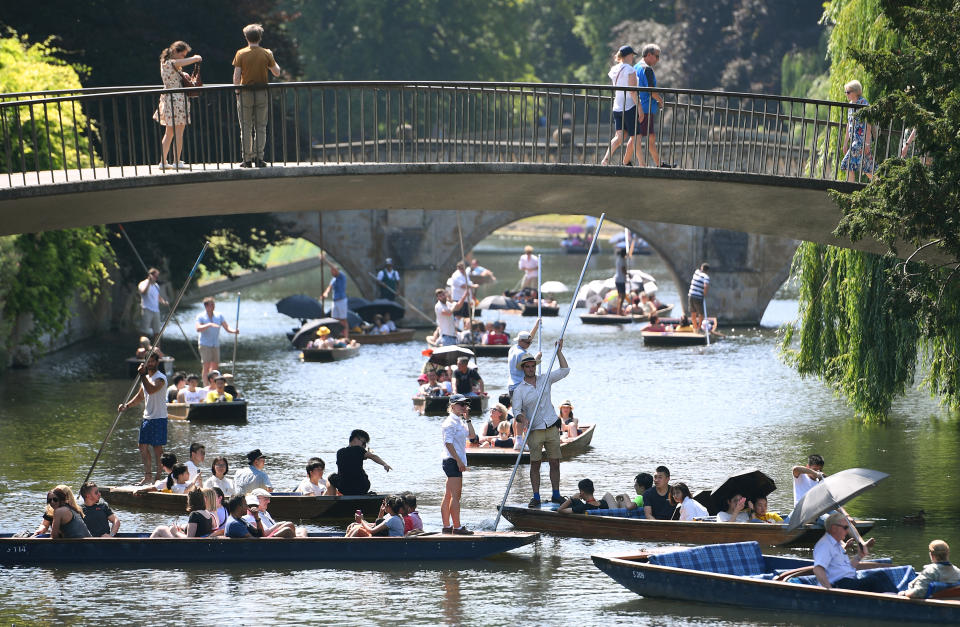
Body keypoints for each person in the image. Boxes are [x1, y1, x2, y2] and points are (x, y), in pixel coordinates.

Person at [512, 341, 570, 508]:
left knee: (555, 462)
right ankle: (536, 496)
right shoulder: (519, 390)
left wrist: (558, 352)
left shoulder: (545, 379)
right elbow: (516, 412)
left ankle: (556, 494)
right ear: (523, 368)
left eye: (532, 366)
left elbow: (565, 370)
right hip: (534, 430)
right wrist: (523, 419)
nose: (531, 369)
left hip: (551, 426)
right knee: (535, 464)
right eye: (528, 366)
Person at [232, 23, 281, 168]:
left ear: (246, 37)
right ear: (260, 37)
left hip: (245, 92)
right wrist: (272, 56)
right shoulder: (266, 53)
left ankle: (247, 159)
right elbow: (277, 72)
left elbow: (236, 76)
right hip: (262, 93)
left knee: (246, 127)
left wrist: (237, 92)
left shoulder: (241, 53)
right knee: (260, 126)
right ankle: (259, 158)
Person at [119, 352, 169, 485]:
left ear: (157, 363)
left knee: (157, 448)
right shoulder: (145, 378)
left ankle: (158, 477)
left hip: (159, 417)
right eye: (148, 361)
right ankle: (148, 476)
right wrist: (126, 406)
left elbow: (151, 390)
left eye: (153, 361)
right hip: (147, 417)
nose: (150, 364)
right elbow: (141, 397)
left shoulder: (161, 378)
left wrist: (141, 375)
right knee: (142, 446)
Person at [813, 512, 893, 592]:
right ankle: (893, 599)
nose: (848, 531)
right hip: (839, 585)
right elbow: (818, 569)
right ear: (834, 528)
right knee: (874, 581)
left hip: (849, 582)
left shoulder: (837, 545)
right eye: (845, 527)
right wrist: (830, 591)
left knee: (881, 574)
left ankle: (897, 596)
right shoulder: (825, 545)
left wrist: (859, 556)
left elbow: (847, 568)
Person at [156, 41, 202, 169]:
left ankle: (163, 162)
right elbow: (187, 61)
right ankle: (176, 161)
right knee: (179, 132)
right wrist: (196, 58)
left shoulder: (164, 63)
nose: (183, 57)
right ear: (175, 52)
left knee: (169, 132)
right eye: (183, 54)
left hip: (168, 99)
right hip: (178, 100)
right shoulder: (172, 62)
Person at [440, 394, 476, 534]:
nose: (464, 407)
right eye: (461, 404)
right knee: (456, 496)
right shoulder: (449, 423)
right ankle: (457, 527)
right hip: (452, 461)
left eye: (465, 404)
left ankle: (447, 527)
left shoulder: (459, 421)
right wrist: (459, 461)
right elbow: (448, 443)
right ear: (453, 406)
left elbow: (472, 436)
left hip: (452, 461)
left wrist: (468, 419)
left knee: (449, 495)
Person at [599, 45, 640, 166]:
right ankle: (639, 163)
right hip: (629, 106)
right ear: (628, 55)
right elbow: (632, 91)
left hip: (617, 106)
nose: (633, 58)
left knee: (620, 136)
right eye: (632, 55)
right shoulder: (630, 69)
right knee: (635, 136)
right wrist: (640, 107)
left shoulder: (614, 70)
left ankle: (606, 159)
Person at [327, 429, 392, 496]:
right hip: (361, 488)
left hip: (344, 488)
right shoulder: (358, 449)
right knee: (362, 473)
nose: (364, 446)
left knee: (331, 477)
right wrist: (384, 464)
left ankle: (333, 498)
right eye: (363, 443)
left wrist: (365, 454)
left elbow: (350, 460)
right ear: (355, 439)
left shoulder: (340, 452)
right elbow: (373, 456)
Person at [634, 43, 668, 167]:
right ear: (649, 55)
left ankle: (659, 164)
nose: (658, 60)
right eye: (657, 56)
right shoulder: (646, 69)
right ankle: (642, 164)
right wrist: (660, 100)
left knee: (645, 136)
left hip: (638, 106)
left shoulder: (636, 67)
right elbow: (652, 91)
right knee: (641, 137)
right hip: (646, 107)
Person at [196, 297, 238, 383]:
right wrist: (209, 324)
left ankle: (213, 384)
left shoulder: (219, 316)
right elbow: (198, 328)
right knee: (206, 366)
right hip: (205, 344)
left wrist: (234, 331)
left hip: (215, 344)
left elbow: (227, 327)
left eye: (213, 304)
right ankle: (206, 385)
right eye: (211, 305)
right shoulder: (201, 316)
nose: (213, 306)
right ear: (206, 306)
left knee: (215, 366)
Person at [840, 79, 874, 182]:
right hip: (854, 140)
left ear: (855, 92)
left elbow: (869, 123)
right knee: (867, 167)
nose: (846, 94)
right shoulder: (850, 105)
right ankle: (881, 185)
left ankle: (850, 189)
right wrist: (846, 142)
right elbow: (848, 124)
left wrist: (867, 142)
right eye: (846, 92)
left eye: (848, 92)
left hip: (861, 140)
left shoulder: (863, 103)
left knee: (847, 163)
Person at [150, 488, 216, 538]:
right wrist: (182, 531)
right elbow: (199, 531)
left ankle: (146, 550)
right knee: (165, 529)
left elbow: (190, 539)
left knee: (160, 529)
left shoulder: (195, 514)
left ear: (190, 501)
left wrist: (175, 532)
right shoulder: (208, 514)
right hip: (200, 544)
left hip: (190, 547)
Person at [507, 319, 540, 394]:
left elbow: (529, 338)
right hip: (521, 387)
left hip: (512, 386)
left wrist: (536, 326)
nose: (529, 344)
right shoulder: (522, 354)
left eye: (530, 342)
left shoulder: (513, 348)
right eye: (528, 343)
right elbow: (531, 367)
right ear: (520, 341)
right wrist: (538, 357)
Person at [321, 261, 350, 340]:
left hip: (342, 300)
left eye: (332, 271)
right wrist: (325, 293)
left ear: (336, 270)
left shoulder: (341, 276)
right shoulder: (333, 279)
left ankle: (346, 337)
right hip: (335, 301)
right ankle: (336, 336)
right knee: (334, 320)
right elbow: (329, 287)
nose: (331, 272)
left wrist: (325, 259)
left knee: (343, 319)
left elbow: (333, 267)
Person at [138, 267, 168, 336]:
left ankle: (157, 347)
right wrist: (149, 282)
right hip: (147, 309)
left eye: (157, 277)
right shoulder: (143, 283)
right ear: (150, 275)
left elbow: (158, 296)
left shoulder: (156, 285)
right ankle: (143, 346)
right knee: (144, 332)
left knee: (157, 333)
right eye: (155, 277)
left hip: (156, 311)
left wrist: (163, 302)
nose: (157, 278)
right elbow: (143, 293)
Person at [687, 262, 710, 332]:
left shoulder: (696, 272)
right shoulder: (706, 277)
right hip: (698, 296)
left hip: (691, 295)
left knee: (693, 312)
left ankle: (695, 328)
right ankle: (699, 328)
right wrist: (704, 294)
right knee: (701, 314)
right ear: (707, 271)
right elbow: (705, 286)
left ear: (701, 268)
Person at [614, 248, 628, 315]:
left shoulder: (619, 259)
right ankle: (619, 312)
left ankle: (619, 311)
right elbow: (623, 269)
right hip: (621, 280)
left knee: (620, 296)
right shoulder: (622, 260)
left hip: (618, 279)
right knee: (622, 296)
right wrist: (628, 274)